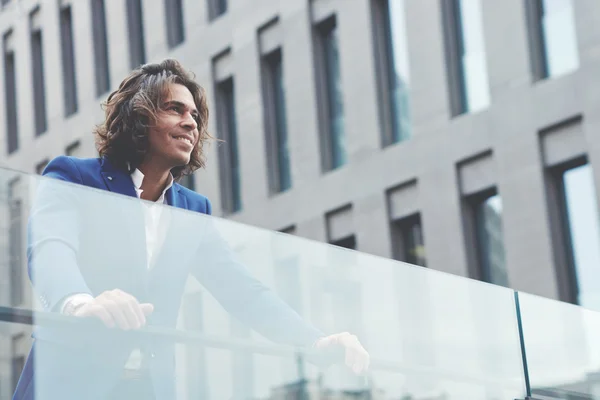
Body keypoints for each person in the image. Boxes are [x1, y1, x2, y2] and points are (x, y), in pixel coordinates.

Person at [13, 59, 369, 400]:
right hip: (67, 385)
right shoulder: (74, 176)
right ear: (139, 116)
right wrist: (80, 303)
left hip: (147, 391)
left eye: (195, 116)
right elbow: (49, 247)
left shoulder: (193, 209)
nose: (191, 123)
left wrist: (313, 341)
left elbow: (244, 292)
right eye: (175, 109)